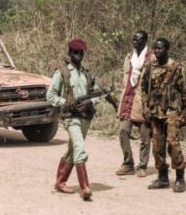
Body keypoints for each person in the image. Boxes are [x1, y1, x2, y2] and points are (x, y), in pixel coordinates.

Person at [46, 38, 104, 201]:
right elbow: (50, 95)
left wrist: (90, 102)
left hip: (85, 117)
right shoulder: (62, 72)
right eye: (76, 53)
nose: (79, 55)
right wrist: (66, 103)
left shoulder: (87, 73)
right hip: (71, 117)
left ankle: (60, 182)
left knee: (73, 150)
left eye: (81, 53)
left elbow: (97, 93)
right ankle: (85, 187)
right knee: (79, 147)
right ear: (70, 53)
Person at [141, 38, 186, 193]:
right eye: (155, 48)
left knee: (172, 143)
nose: (157, 51)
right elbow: (144, 88)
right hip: (155, 112)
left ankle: (180, 177)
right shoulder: (150, 67)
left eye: (160, 48)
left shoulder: (175, 68)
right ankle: (163, 177)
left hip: (172, 112)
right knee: (157, 146)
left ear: (167, 49)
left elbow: (184, 91)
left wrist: (185, 112)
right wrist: (145, 106)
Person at [115, 31, 155, 177]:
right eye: (133, 39)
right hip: (128, 101)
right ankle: (128, 163)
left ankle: (142, 166)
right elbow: (125, 80)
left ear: (145, 40)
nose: (135, 42)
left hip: (143, 103)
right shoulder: (128, 57)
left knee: (145, 137)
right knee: (123, 131)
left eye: (137, 39)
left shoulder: (152, 58)